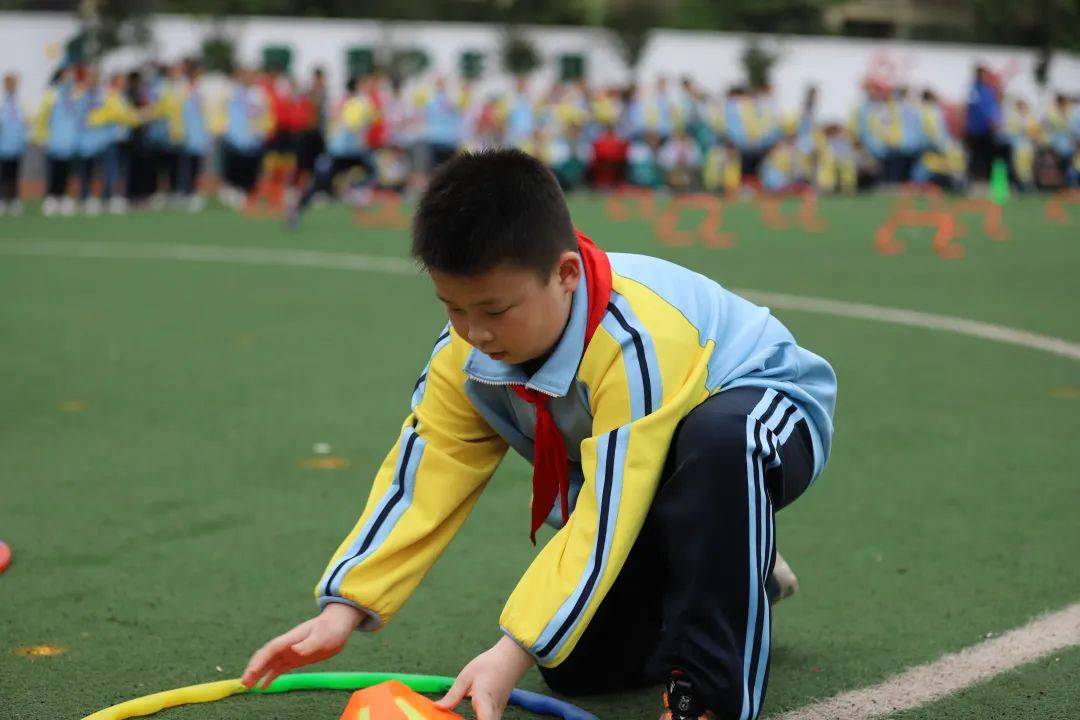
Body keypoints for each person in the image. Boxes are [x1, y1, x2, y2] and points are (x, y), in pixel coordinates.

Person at [242, 148, 837, 720]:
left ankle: (707, 695)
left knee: (719, 442)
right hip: (641, 467)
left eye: (495, 310)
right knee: (582, 665)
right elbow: (426, 471)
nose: (475, 333)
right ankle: (736, 570)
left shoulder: (636, 341)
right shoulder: (464, 355)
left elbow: (610, 509)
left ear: (566, 274)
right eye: (454, 308)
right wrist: (344, 607)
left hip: (763, 414)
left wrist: (511, 651)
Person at [0, 72, 28, 216]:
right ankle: (3, 200)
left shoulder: (19, 102)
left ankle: (14, 199)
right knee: (3, 175)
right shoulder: (1, 102)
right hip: (3, 147)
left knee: (14, 175)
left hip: (16, 146)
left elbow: (23, 123)